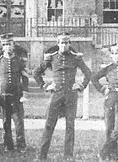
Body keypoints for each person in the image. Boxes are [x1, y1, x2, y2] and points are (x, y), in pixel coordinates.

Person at [33, 32, 92, 160]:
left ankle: (68, 156)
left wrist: (81, 86)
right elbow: (36, 72)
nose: (64, 45)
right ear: (58, 44)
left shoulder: (75, 58)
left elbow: (88, 73)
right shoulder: (52, 58)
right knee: (49, 124)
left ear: (69, 44)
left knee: (70, 125)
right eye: (61, 42)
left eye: (66, 42)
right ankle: (42, 155)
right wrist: (45, 86)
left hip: (71, 95)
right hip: (56, 95)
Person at [0, 33, 29, 152]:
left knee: (19, 122)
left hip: (17, 96)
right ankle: (8, 145)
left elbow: (25, 78)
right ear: (2, 47)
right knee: (6, 122)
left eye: (9, 44)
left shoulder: (19, 61)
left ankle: (21, 146)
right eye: (5, 45)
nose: (7, 47)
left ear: (13, 45)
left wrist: (25, 93)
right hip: (3, 96)